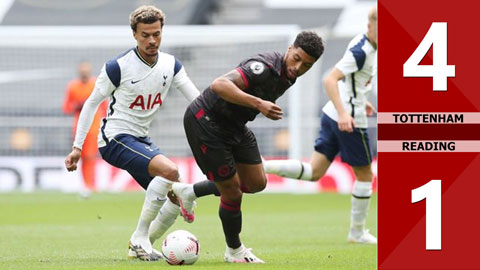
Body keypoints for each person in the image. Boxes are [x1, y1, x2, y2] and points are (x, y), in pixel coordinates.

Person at [172, 31, 324, 263]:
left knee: (256, 183)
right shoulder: (262, 68)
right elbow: (219, 85)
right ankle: (234, 251)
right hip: (206, 122)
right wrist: (259, 103)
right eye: (297, 58)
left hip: (234, 126)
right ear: (290, 48)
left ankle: (190, 191)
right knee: (232, 191)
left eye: (307, 65)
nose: (298, 67)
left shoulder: (290, 74)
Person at [64, 5, 200, 261]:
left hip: (141, 138)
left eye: (156, 34)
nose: (152, 40)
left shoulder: (171, 65)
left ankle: (143, 244)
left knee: (173, 193)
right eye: (145, 35)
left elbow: (197, 100)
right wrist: (77, 147)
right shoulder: (117, 67)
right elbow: (92, 103)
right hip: (114, 138)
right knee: (170, 171)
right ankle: (139, 238)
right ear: (134, 35)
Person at [263, 6, 378, 244]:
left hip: (334, 114)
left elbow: (352, 79)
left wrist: (361, 99)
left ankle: (263, 166)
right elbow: (330, 79)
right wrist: (346, 112)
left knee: (315, 172)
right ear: (371, 25)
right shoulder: (362, 50)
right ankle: (357, 232)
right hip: (348, 120)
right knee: (365, 175)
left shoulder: (367, 46)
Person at [63, 61, 107, 195]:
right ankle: (86, 185)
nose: (84, 72)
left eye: (86, 70)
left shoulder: (95, 84)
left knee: (90, 156)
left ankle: (90, 185)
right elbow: (66, 107)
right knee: (80, 156)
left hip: (93, 128)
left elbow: (103, 106)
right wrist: (77, 106)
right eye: (82, 70)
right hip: (78, 128)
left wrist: (104, 121)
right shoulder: (72, 86)